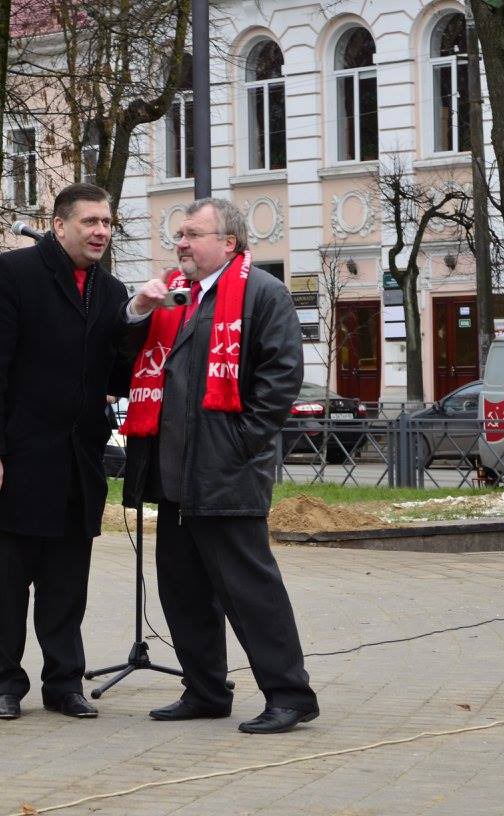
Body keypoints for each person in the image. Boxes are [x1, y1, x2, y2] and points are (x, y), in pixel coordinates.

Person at [122, 197, 319, 734]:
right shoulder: (174, 297)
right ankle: (206, 689)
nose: (180, 243)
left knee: (248, 590)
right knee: (182, 589)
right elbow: (125, 368)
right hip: (173, 475)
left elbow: (280, 379)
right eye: (179, 235)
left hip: (226, 472)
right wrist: (139, 312)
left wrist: (240, 443)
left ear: (227, 243)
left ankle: (289, 693)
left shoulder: (263, 293)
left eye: (192, 234)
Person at [0, 183, 134, 721]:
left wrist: (137, 322)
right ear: (58, 225)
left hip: (76, 463)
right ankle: (4, 685)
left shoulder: (111, 290)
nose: (101, 231)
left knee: (67, 584)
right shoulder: (12, 276)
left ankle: (64, 684)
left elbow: (115, 374)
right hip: (13, 462)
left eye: (107, 222)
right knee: (8, 582)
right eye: (90, 221)